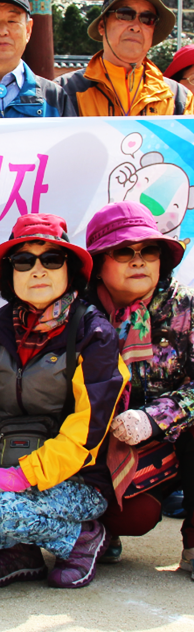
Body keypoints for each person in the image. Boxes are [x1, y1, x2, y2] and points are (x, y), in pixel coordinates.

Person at [0, 213, 127, 589]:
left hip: (78, 480)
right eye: (23, 261)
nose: (38, 270)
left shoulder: (94, 334)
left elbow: (88, 430)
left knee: (0, 506)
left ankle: (82, 538)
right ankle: (17, 552)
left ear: (70, 269)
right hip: (11, 461)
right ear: (10, 273)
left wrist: (25, 475)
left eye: (52, 259)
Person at [83, 201, 193, 578]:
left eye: (149, 250)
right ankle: (97, 530)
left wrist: (155, 417)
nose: (139, 261)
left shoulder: (185, 305)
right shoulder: (75, 311)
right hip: (103, 446)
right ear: (98, 263)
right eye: (124, 252)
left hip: (176, 439)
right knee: (136, 516)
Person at [57, 0, 194, 116]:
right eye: (125, 15)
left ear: (153, 30)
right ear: (102, 25)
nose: (136, 27)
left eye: (147, 19)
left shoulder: (179, 100)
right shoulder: (62, 92)